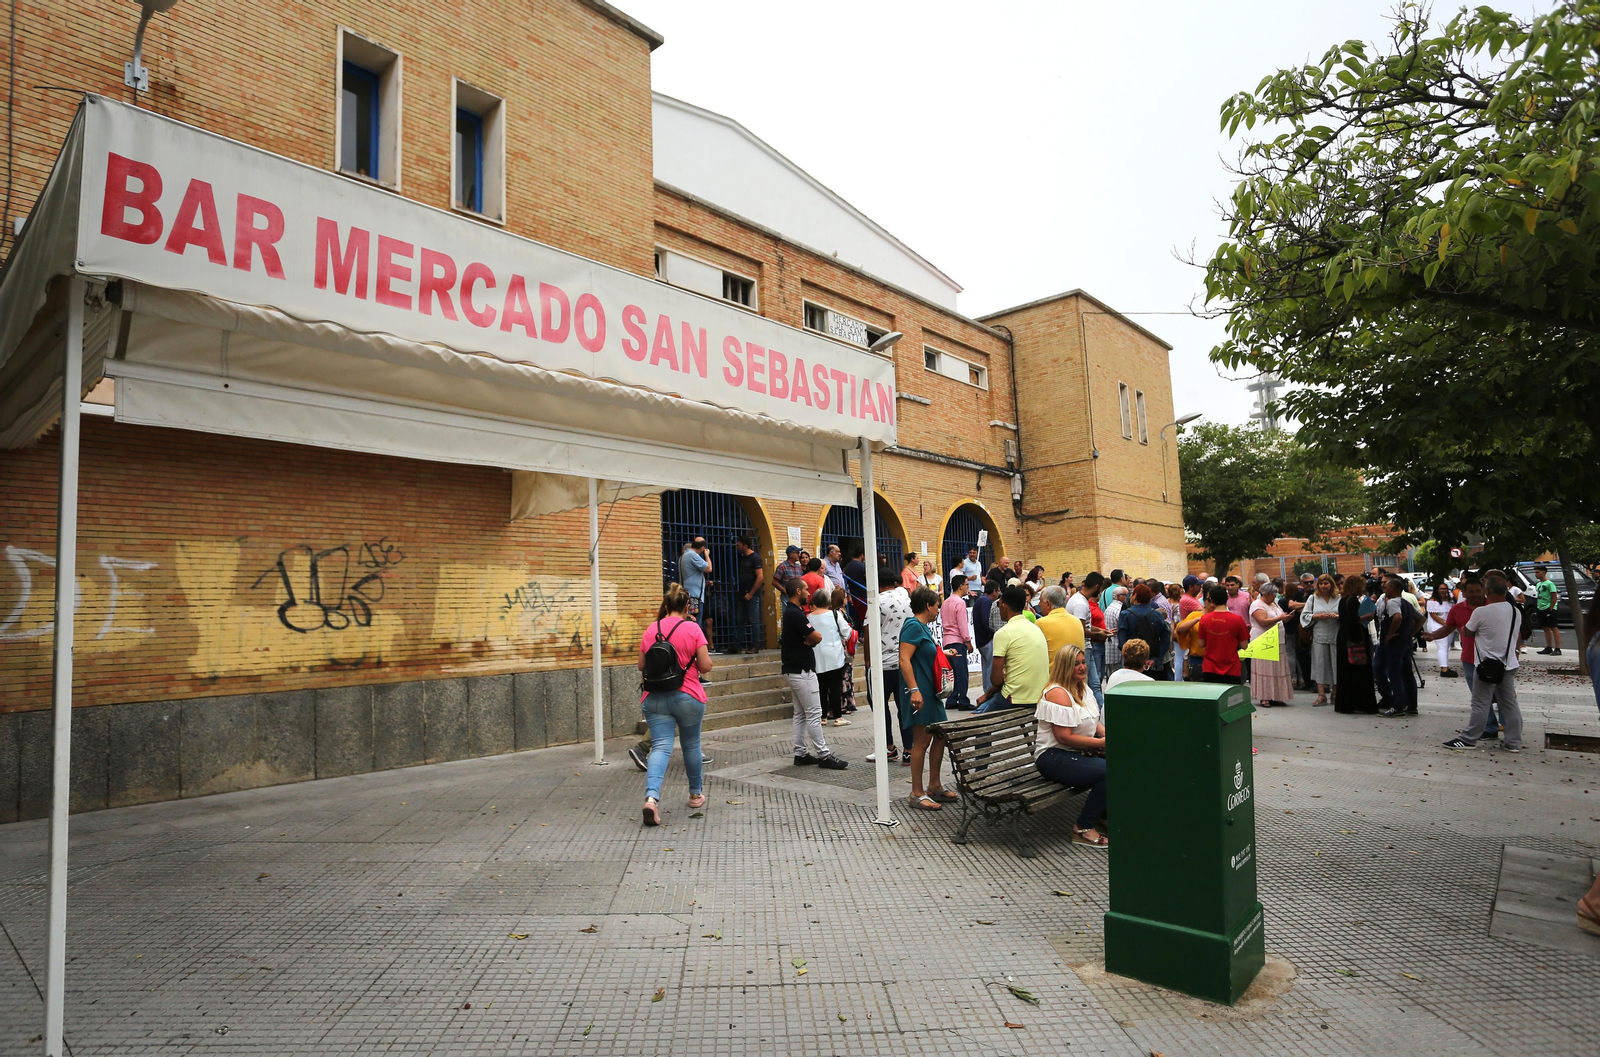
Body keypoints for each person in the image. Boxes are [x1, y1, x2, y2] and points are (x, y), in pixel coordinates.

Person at [638, 583, 714, 826]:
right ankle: (695, 795)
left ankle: (651, 799)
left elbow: (642, 666)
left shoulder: (651, 629)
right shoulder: (692, 629)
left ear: (667, 605)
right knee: (691, 745)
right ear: (687, 606)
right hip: (688, 695)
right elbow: (704, 666)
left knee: (660, 747)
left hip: (655, 698)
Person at [1032, 644, 1109, 847]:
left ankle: (1105, 815)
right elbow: (1063, 737)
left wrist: (1105, 736)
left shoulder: (1081, 688)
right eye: (1076, 664)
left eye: (1083, 662)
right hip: (1053, 756)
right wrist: (1100, 743)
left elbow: (1093, 721)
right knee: (1108, 772)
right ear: (1065, 667)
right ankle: (1083, 828)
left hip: (1076, 752)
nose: (1082, 667)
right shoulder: (1058, 693)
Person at [1444, 571, 1524, 751]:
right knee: (1509, 704)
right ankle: (1513, 742)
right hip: (1508, 664)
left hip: (1487, 665)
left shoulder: (1482, 611)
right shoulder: (1515, 611)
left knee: (1480, 703)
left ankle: (1468, 739)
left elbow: (1467, 632)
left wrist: (1467, 629)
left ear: (1487, 591)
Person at [899, 586, 958, 810]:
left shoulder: (922, 627)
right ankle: (916, 792)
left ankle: (934, 785)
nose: (938, 610)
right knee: (921, 741)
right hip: (920, 691)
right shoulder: (913, 626)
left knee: (940, 735)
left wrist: (944, 653)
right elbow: (904, 659)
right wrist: (914, 690)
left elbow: (925, 653)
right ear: (927, 606)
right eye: (936, 606)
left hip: (929, 691)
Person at [780, 577, 848, 769]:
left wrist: (810, 639)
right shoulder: (796, 614)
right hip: (802, 670)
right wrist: (812, 639)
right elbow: (817, 636)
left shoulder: (794, 613)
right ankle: (824, 755)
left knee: (801, 713)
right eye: (806, 590)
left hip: (793, 669)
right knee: (814, 712)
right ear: (798, 592)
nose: (809, 593)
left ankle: (800, 753)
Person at [975, 585, 1050, 712]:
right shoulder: (1036, 628)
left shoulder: (1003, 633)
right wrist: (986, 695)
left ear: (1004, 606)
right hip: (1040, 696)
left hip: (1015, 698)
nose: (998, 609)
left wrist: (988, 693)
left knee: (976, 720)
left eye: (998, 605)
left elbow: (996, 680)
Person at [872, 567, 915, 763]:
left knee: (880, 708)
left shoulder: (876, 601)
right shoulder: (906, 598)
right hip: (904, 663)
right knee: (904, 708)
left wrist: (867, 664)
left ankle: (889, 747)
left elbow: (869, 630)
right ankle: (909, 749)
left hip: (882, 665)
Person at [1334, 574, 1378, 714]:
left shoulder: (1343, 600)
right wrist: (1367, 616)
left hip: (1344, 637)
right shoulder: (1353, 600)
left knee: (1346, 671)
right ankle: (1361, 703)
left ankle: (1347, 703)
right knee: (1358, 670)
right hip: (1354, 639)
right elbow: (1352, 619)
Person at [1376, 575, 1419, 717]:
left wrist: (1390, 633)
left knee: (1395, 674)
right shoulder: (1406, 602)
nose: (1384, 588)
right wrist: (1409, 632)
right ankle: (1412, 704)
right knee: (1407, 674)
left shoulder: (1393, 602)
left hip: (1394, 643)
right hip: (1405, 642)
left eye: (1387, 586)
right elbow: (1419, 619)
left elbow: (1398, 617)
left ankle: (1397, 705)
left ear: (1393, 588)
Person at [1247, 583, 1295, 706]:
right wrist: (1280, 618)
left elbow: (1279, 617)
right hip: (1263, 639)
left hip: (1278, 639)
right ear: (1267, 594)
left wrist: (1286, 618)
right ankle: (1264, 696)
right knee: (1265, 669)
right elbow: (1263, 621)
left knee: (1277, 669)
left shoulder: (1274, 604)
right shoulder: (1257, 605)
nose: (1274, 597)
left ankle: (1277, 695)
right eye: (1273, 595)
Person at [810, 587, 851, 727]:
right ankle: (838, 716)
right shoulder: (834, 614)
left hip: (817, 656)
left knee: (821, 687)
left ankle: (822, 716)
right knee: (835, 687)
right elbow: (847, 632)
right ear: (828, 601)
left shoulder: (808, 617)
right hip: (834, 656)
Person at [1066, 572, 1108, 705]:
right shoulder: (1081, 604)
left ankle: (1100, 712)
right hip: (1082, 647)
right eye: (1101, 589)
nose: (1101, 593)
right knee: (1086, 685)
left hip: (1086, 647)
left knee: (1094, 684)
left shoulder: (1080, 600)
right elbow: (1081, 631)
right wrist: (1099, 635)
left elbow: (1087, 625)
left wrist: (1101, 630)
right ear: (1096, 587)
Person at [1196, 584, 1250, 684]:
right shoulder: (1238, 620)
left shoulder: (1205, 619)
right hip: (1232, 667)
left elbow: (1201, 644)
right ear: (1226, 598)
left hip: (1210, 667)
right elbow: (1244, 645)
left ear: (1211, 599)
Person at [1117, 584, 1172, 682]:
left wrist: (1131, 659)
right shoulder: (1157, 615)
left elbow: (1122, 641)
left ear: (1135, 596)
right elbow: (1165, 639)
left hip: (1132, 666)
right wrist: (1157, 659)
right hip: (1153, 663)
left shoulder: (1125, 615)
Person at [1300, 573, 1340, 705]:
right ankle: (1321, 694)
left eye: (1326, 583)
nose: (1324, 586)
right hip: (1319, 634)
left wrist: (1337, 616)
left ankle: (1335, 693)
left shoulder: (1338, 597)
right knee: (1320, 663)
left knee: (1336, 663)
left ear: (1331, 584)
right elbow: (1305, 616)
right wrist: (1318, 616)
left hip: (1335, 633)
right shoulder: (1313, 598)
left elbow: (1346, 614)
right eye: (1321, 583)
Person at [940, 574, 975, 710]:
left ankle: (952, 699)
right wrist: (968, 641)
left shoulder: (946, 602)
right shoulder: (960, 603)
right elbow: (962, 625)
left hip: (947, 641)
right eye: (967, 584)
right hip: (957, 641)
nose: (968, 587)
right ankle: (963, 700)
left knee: (952, 672)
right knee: (961, 673)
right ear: (961, 586)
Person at [1036, 584, 1087, 662]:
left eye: (1040, 601)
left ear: (1048, 604)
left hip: (1054, 672)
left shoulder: (1041, 623)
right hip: (1076, 671)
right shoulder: (1077, 621)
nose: (1039, 604)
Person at [733, 536, 764, 654]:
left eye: (738, 545)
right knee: (741, 620)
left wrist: (751, 593)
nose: (737, 547)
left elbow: (760, 577)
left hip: (752, 594)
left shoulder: (755, 558)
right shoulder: (742, 558)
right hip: (742, 593)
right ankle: (737, 645)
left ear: (745, 545)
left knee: (753, 620)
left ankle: (755, 645)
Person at [974, 579, 1001, 696]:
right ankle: (989, 693)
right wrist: (992, 633)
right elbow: (986, 621)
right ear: (994, 591)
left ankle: (986, 691)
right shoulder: (986, 602)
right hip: (987, 639)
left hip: (981, 640)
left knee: (986, 668)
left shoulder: (979, 601)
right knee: (990, 669)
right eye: (998, 591)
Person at [1425, 582, 1457, 676]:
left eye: (1445, 588)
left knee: (1446, 648)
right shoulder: (1432, 601)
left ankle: (1445, 666)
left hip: (1448, 627)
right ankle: (1444, 669)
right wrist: (1445, 624)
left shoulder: (1450, 601)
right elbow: (1433, 615)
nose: (1444, 591)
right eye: (1441, 589)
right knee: (1442, 647)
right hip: (1437, 626)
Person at [678, 537, 711, 627]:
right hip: (694, 597)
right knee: (695, 624)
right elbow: (709, 568)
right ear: (702, 548)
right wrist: (707, 555)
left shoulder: (683, 556)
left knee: (690, 622)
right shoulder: (692, 555)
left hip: (688, 595)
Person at [1532, 565, 1562, 655]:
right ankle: (1548, 647)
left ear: (1544, 573)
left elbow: (1554, 597)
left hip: (1549, 608)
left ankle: (1558, 648)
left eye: (1538, 572)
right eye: (1535, 572)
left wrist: (1551, 608)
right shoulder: (1538, 584)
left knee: (1554, 627)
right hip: (1540, 607)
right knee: (1545, 628)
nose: (1536, 574)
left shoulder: (1550, 584)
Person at [1103, 585, 1129, 674]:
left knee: (1111, 674)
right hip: (1117, 646)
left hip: (1109, 646)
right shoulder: (1120, 609)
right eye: (1126, 595)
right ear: (1119, 596)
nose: (1128, 597)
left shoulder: (1109, 607)